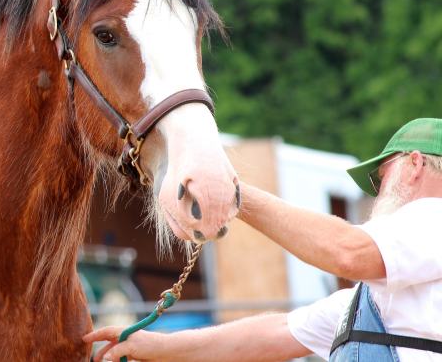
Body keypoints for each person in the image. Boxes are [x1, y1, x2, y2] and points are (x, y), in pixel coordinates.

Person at [85, 117, 442, 361]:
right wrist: (155, 346)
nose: (378, 192)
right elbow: (272, 333)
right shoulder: (371, 301)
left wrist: (232, 193)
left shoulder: (434, 217)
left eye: (381, 175)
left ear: (414, 164)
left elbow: (347, 251)